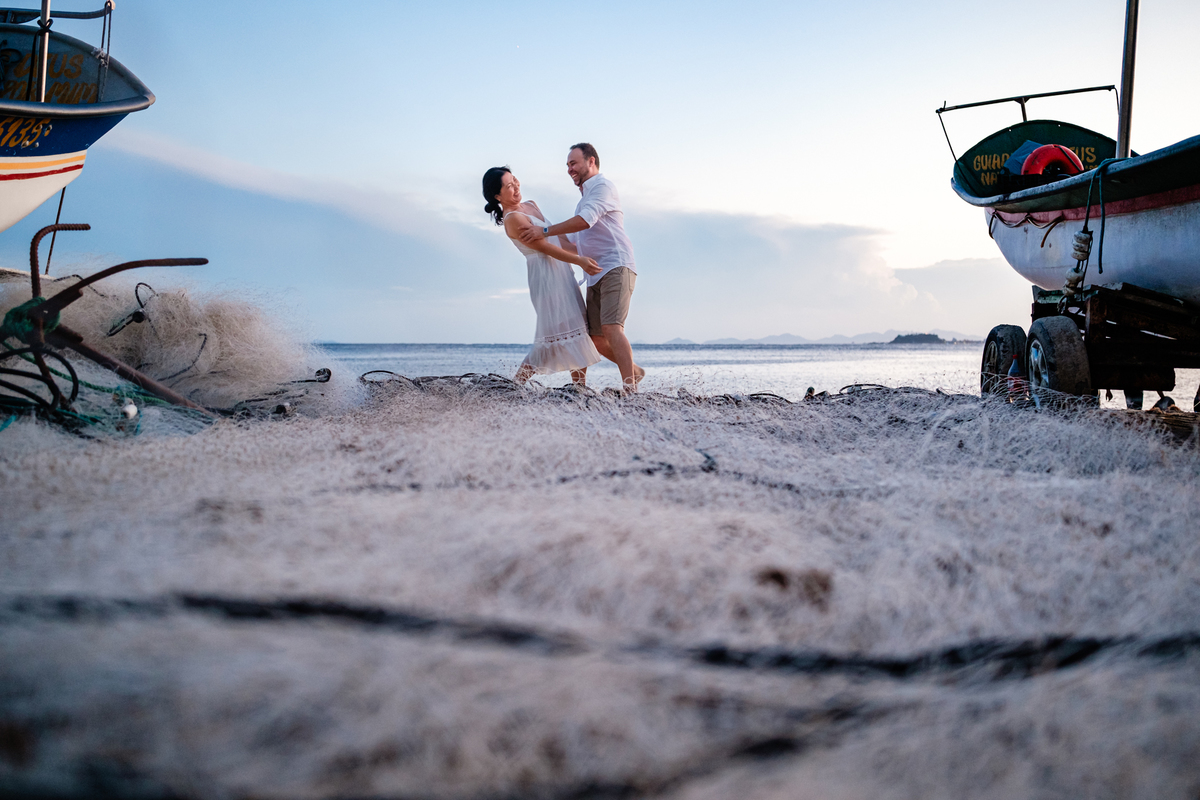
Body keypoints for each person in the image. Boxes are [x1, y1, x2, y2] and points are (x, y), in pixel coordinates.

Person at [519, 143, 644, 392]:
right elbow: (573, 245)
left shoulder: (602, 187)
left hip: (616, 265)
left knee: (611, 328)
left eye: (573, 163)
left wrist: (544, 230)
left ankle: (630, 389)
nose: (569, 169)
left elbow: (585, 221)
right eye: (567, 165)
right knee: (595, 339)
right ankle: (635, 371)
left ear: (591, 161)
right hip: (595, 274)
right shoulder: (584, 199)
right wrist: (542, 244)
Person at [482, 166, 602, 385]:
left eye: (515, 180)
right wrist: (580, 261)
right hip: (545, 278)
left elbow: (560, 240)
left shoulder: (531, 205)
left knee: (577, 327)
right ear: (498, 196)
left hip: (562, 271)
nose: (516, 187)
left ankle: (579, 387)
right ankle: (516, 384)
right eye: (509, 186)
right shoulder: (512, 219)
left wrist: (587, 253)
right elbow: (545, 247)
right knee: (553, 333)